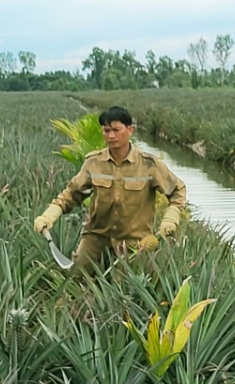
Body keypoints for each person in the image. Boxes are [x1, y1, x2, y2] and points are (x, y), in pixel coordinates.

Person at [33, 106, 187, 274]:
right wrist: (49, 215)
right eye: (106, 130)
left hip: (135, 242)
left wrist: (170, 219)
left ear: (130, 130)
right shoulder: (94, 162)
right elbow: (71, 194)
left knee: (126, 289)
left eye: (116, 130)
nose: (111, 135)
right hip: (96, 237)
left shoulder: (149, 164)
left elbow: (177, 190)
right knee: (76, 278)